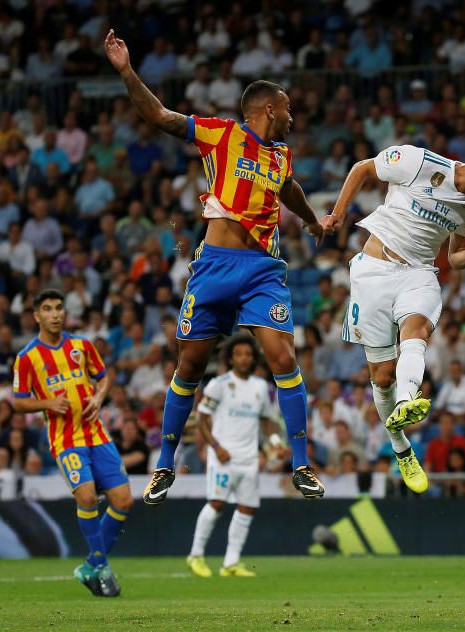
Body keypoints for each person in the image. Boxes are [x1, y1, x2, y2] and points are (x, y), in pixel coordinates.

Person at [104, 30, 324, 504]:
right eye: (286, 108)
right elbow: (160, 116)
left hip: (263, 268)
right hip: (216, 265)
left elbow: (289, 190)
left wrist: (311, 221)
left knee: (284, 358)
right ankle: (165, 465)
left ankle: (302, 465)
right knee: (191, 363)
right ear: (269, 109)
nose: (291, 116)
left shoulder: (280, 156)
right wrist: (126, 72)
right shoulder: (221, 134)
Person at [319, 143, 465, 493]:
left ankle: (409, 399)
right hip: (374, 271)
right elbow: (363, 168)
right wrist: (338, 213)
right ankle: (401, 448)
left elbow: (453, 257)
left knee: (418, 330)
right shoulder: (419, 162)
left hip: (420, 274)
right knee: (381, 378)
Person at [11, 289, 132, 598]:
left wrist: (99, 395)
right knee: (88, 497)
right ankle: (101, 566)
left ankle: (92, 564)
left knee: (123, 500)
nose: (55, 314)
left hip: (97, 433)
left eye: (59, 308)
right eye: (48, 309)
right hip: (65, 440)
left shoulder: (81, 345)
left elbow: (103, 377)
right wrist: (48, 402)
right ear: (37, 316)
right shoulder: (27, 358)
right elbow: (19, 403)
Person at [187, 335, 279, 578]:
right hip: (223, 456)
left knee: (247, 508)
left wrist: (275, 443)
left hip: (249, 458)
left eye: (248, 354)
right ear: (230, 358)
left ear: (253, 358)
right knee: (216, 504)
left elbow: (266, 422)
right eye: (239, 354)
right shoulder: (219, 384)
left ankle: (231, 563)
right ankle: (196, 555)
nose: (244, 358)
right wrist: (216, 447)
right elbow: (201, 420)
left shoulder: (260, 387)